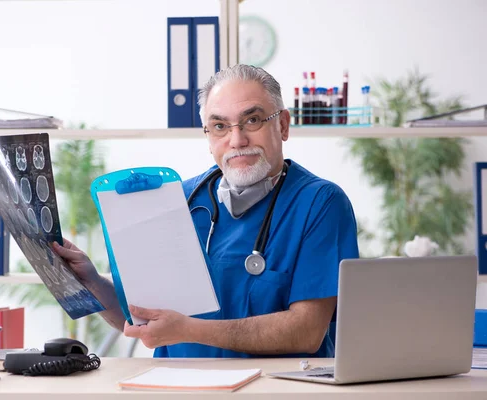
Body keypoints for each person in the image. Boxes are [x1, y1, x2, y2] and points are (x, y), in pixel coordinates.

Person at [53, 64, 359, 359]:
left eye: (252, 120)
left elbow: (305, 331)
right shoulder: (176, 200)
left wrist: (189, 330)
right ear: (208, 135)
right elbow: (143, 321)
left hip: (274, 390)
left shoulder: (320, 203)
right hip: (180, 387)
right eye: (220, 126)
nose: (236, 140)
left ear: (282, 125)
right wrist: (91, 280)